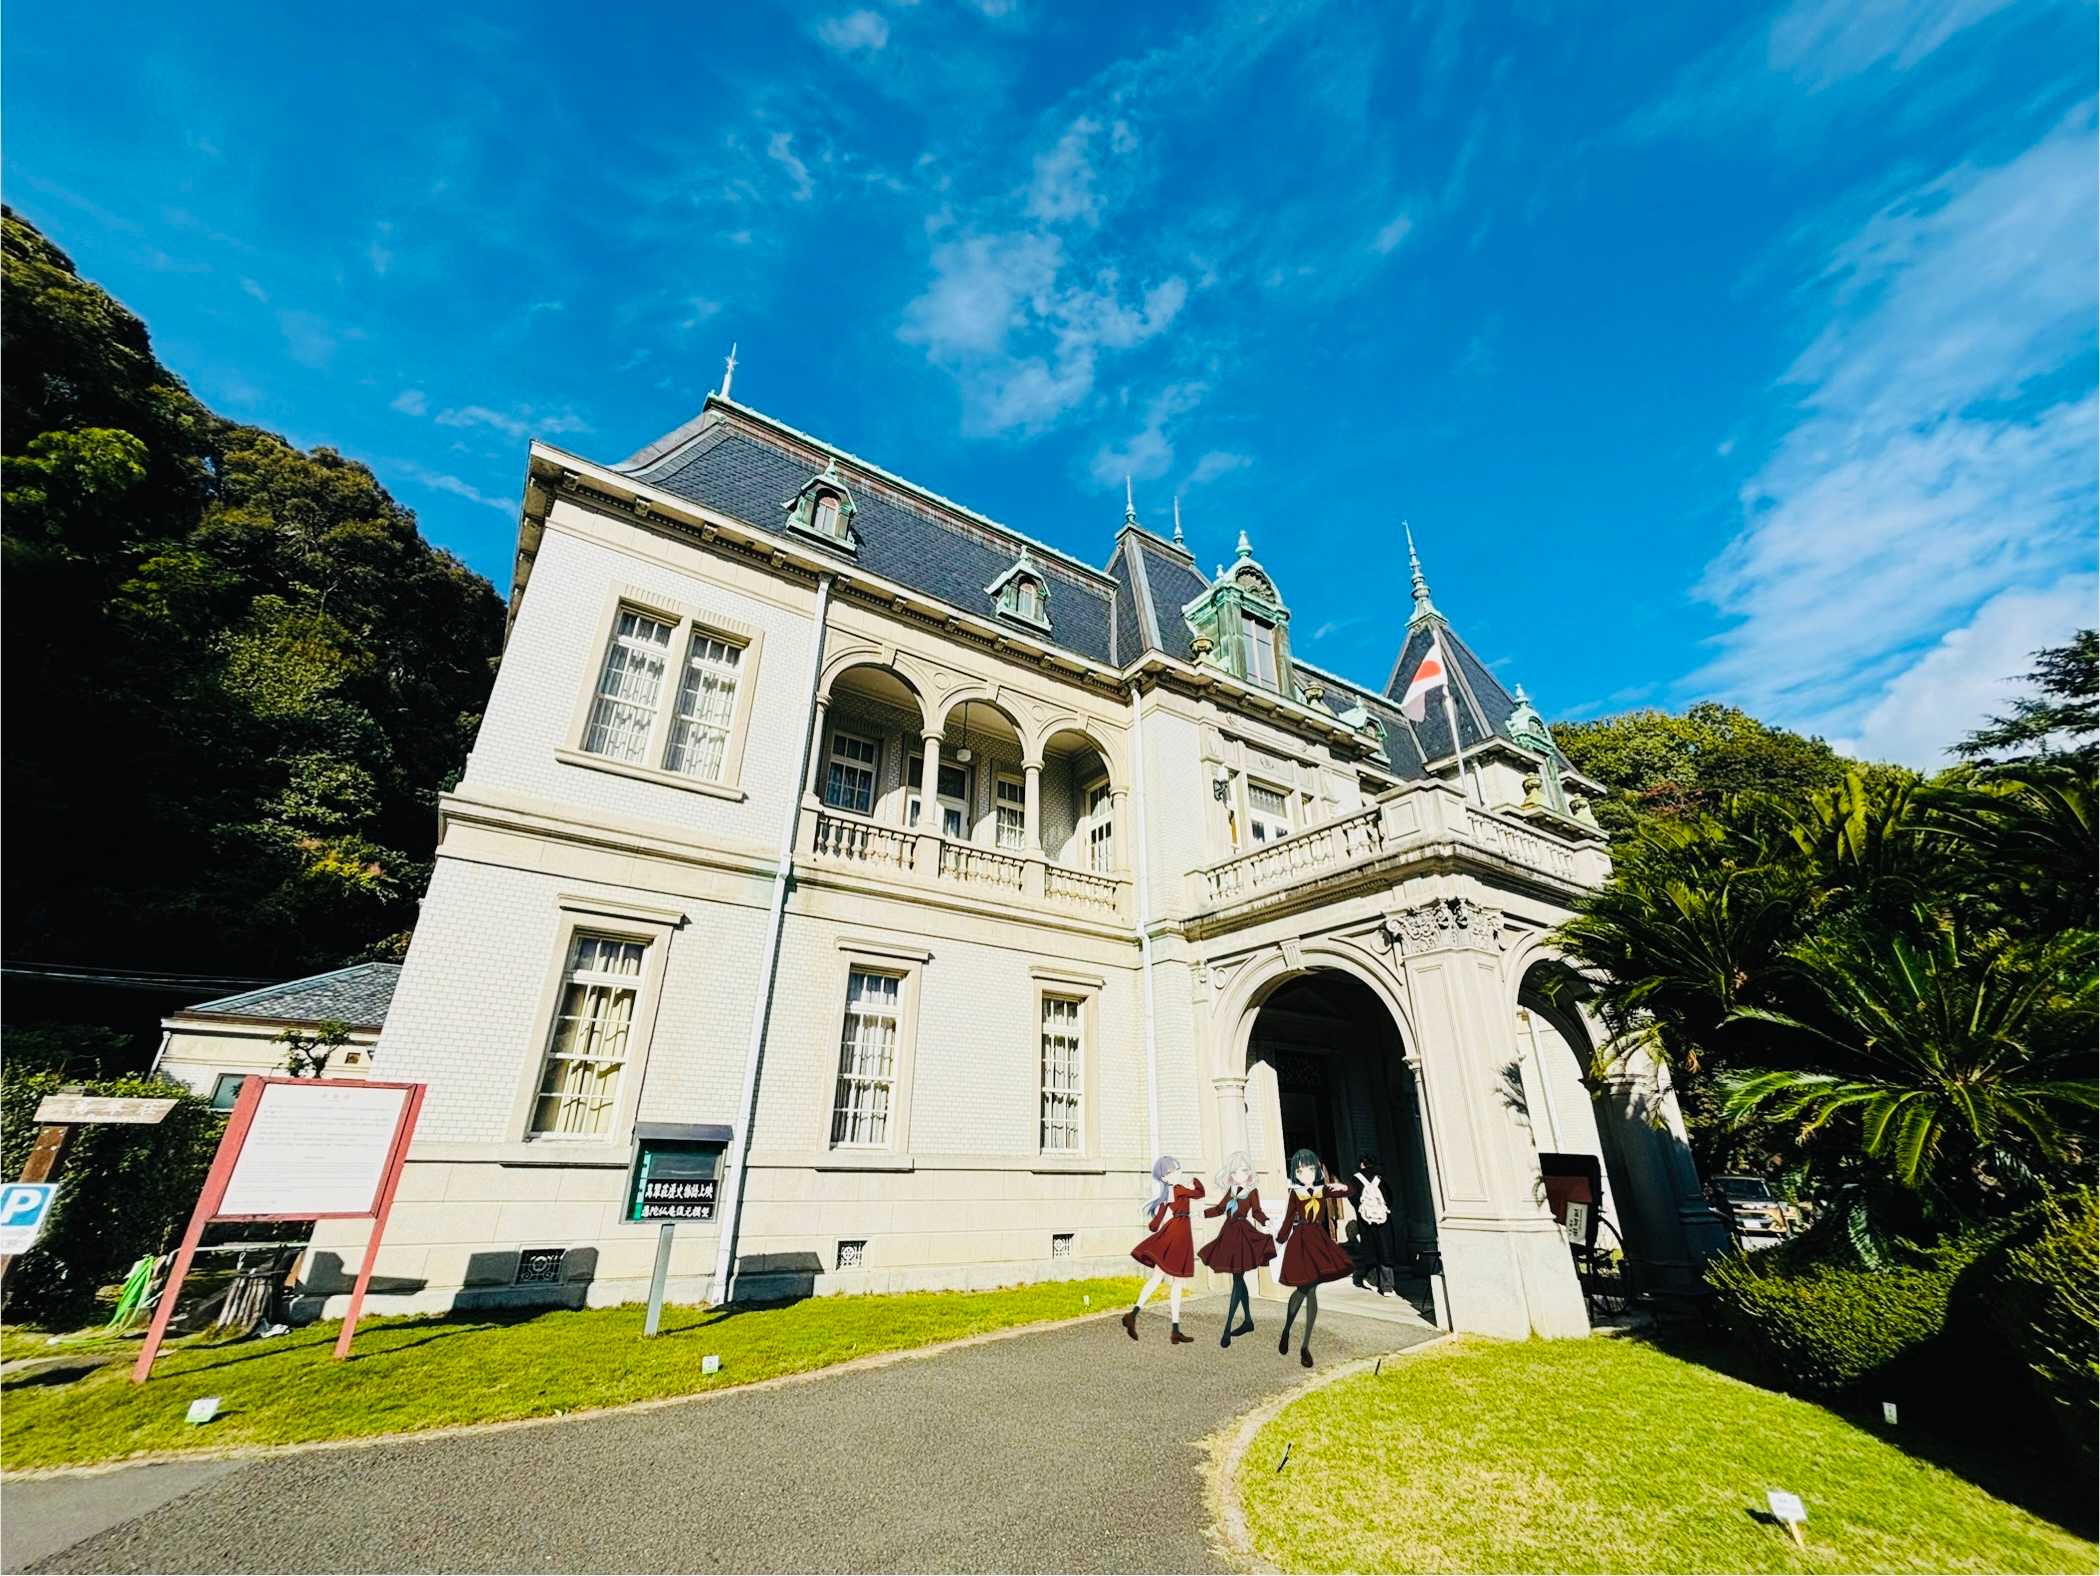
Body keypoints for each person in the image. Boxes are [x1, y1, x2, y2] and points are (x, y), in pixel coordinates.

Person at [1275, 1148, 1353, 1366]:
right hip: (1301, 1242)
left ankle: (1305, 1346)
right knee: (1303, 1289)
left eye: (1310, 1169)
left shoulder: (1322, 1190)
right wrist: (1278, 1241)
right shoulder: (1295, 1194)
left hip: (1318, 1240)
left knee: (1311, 1290)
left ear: (1317, 1170)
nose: (1306, 1174)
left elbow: (1349, 1192)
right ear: (1295, 1173)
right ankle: (1287, 1329)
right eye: (1300, 1171)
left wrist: (1344, 1186)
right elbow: (1288, 1220)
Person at [1122, 1155, 1205, 1344]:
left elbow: (1154, 1225)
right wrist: (1195, 1181)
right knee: (1177, 1282)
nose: (1174, 1173)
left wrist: (1155, 1216)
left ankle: (1134, 1315)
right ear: (1164, 1178)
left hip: (1172, 1234)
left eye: (1175, 1169)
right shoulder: (1179, 1189)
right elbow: (1200, 1193)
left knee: (1159, 1279)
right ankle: (1173, 1329)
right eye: (1169, 1172)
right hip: (1180, 1236)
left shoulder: (1167, 1195)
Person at [1197, 1150, 1273, 1348]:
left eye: (1245, 1170)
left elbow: (1257, 1212)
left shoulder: (1252, 1191)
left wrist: (1266, 1221)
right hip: (1228, 1235)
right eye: (1237, 1171)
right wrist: (1202, 1213)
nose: (1242, 1174)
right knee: (1238, 1279)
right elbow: (1219, 1209)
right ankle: (1248, 1321)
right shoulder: (1231, 1191)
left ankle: (1227, 1328)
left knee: (1238, 1280)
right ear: (1231, 1174)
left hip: (1243, 1235)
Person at [1348, 1152, 1397, 1295]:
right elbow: (1390, 1196)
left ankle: (1372, 1280)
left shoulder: (1355, 1179)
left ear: (1362, 1164)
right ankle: (1387, 1286)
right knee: (1385, 1249)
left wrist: (1361, 1209)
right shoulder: (1380, 1177)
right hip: (1383, 1220)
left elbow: (1352, 1197)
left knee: (1371, 1249)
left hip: (1366, 1220)